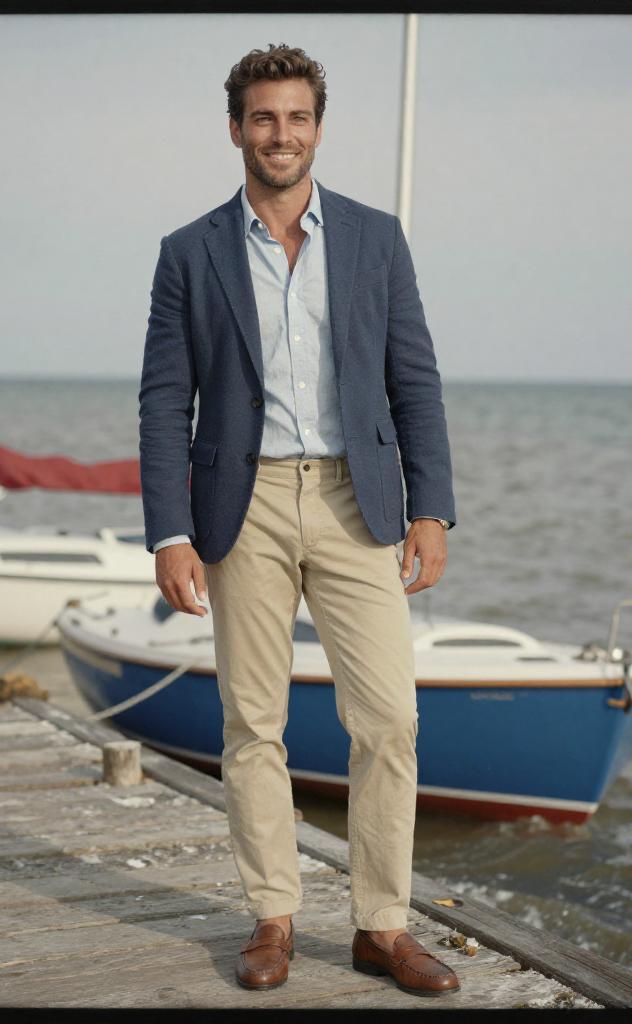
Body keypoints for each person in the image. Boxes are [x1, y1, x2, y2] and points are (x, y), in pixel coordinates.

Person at [138, 43, 458, 997]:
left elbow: (416, 381)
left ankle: (381, 928)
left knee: (389, 720)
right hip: (242, 504)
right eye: (264, 118)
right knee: (253, 723)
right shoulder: (188, 253)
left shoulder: (375, 238)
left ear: (318, 127)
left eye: (299, 118)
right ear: (236, 127)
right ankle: (273, 917)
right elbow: (164, 402)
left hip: (359, 501)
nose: (282, 134)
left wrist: (432, 506)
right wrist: (169, 531)